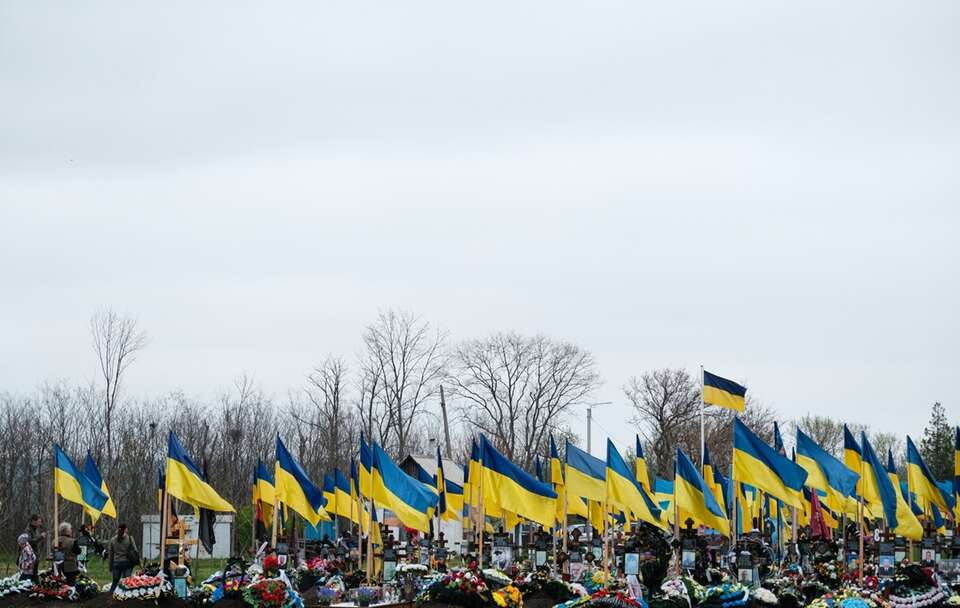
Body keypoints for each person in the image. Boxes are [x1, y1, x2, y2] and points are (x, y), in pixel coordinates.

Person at [108, 524, 138, 593]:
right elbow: (135, 550)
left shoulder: (112, 540)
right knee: (127, 582)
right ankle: (125, 598)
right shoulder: (130, 538)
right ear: (125, 529)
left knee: (115, 581)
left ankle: (110, 597)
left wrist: (110, 567)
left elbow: (111, 555)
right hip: (127, 563)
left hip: (116, 563)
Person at [22, 515, 46, 581]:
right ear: (33, 521)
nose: (40, 524)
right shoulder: (28, 530)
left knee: (35, 575)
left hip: (35, 556)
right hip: (29, 558)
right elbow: (29, 542)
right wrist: (40, 537)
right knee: (29, 576)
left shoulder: (35, 530)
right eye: (39, 522)